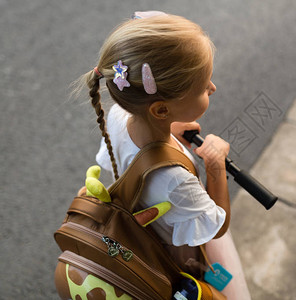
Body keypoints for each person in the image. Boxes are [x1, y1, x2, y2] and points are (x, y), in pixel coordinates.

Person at [75, 11, 251, 299]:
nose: (213, 88)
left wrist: (169, 130)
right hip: (174, 252)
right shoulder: (175, 180)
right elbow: (216, 228)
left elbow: (136, 155)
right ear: (159, 110)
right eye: (204, 86)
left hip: (141, 232)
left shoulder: (120, 116)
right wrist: (216, 167)